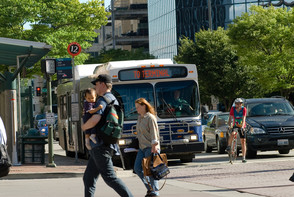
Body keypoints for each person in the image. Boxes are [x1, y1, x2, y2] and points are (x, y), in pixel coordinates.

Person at [81, 74, 133, 197]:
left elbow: (95, 118)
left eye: (97, 84)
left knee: (110, 178)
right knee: (88, 178)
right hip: (106, 142)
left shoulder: (102, 99)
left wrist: (84, 127)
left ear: (103, 84)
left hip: (100, 145)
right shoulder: (114, 99)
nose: (95, 87)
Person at [134, 98, 160, 197]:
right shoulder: (140, 117)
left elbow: (154, 133)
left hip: (151, 147)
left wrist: (154, 147)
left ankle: (155, 192)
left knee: (150, 171)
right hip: (142, 147)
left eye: (138, 107)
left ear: (144, 106)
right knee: (137, 168)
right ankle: (150, 189)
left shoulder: (150, 118)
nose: (137, 109)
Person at [226, 98, 247, 163]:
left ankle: (243, 157)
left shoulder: (244, 109)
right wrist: (229, 125)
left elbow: (244, 119)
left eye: (240, 104)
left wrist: (243, 127)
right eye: (237, 104)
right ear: (235, 104)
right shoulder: (233, 109)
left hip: (241, 125)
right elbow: (230, 118)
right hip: (235, 124)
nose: (239, 105)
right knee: (232, 134)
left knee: (243, 141)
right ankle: (229, 146)